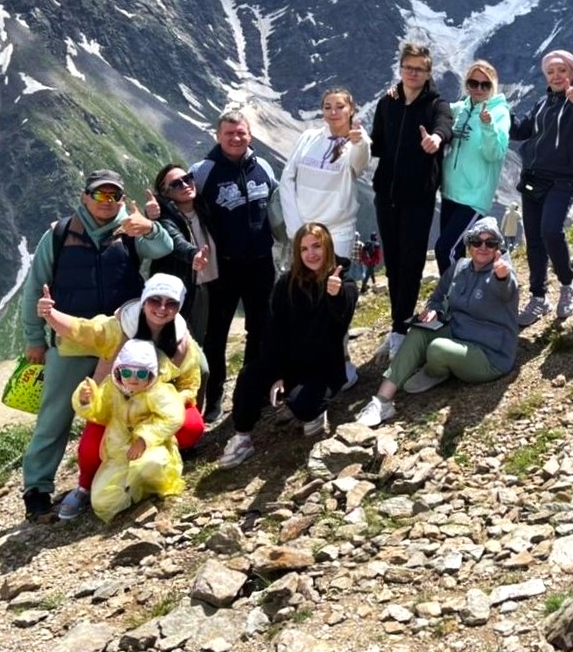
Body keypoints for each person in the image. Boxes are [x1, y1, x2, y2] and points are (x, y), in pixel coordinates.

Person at [20, 169, 172, 522]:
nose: (108, 202)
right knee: (55, 417)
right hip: (70, 341)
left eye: (114, 196)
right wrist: (34, 339)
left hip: (122, 341)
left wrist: (149, 226)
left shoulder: (130, 230)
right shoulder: (58, 234)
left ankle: (110, 481)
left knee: (120, 413)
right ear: (85, 196)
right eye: (100, 195)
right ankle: (37, 490)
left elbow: (162, 247)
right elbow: (35, 286)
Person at [36, 273, 206, 520]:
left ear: (178, 307)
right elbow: (82, 330)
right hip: (113, 403)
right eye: (155, 300)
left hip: (155, 408)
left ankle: (157, 460)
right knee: (90, 450)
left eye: (171, 303)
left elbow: (190, 383)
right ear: (144, 300)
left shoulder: (181, 340)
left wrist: (171, 404)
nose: (161, 309)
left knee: (191, 426)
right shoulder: (119, 326)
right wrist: (50, 314)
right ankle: (85, 486)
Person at [218, 223, 359, 468]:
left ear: (328, 247)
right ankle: (242, 437)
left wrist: (335, 297)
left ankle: (312, 409)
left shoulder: (344, 284)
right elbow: (273, 331)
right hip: (289, 363)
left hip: (323, 368)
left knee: (304, 406)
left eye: (317, 246)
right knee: (250, 376)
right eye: (304, 249)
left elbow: (341, 321)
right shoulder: (287, 284)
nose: (311, 254)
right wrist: (276, 374)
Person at [355, 218, 518, 427]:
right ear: (469, 245)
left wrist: (503, 276)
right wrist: (433, 310)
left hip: (490, 355)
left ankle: (436, 372)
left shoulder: (502, 273)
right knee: (418, 331)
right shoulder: (460, 268)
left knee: (437, 349)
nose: (483, 247)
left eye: (490, 242)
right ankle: (382, 401)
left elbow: (507, 291)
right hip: (458, 334)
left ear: (498, 247)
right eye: (477, 242)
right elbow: (437, 297)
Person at [191, 107, 278, 423]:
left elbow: (280, 201)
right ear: (218, 136)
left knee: (261, 328)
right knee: (216, 334)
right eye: (229, 133)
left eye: (241, 132)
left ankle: (253, 389)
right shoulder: (203, 171)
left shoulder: (263, 167)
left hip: (261, 264)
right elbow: (181, 201)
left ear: (249, 134)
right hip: (223, 267)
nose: (236, 138)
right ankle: (213, 398)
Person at [279, 87, 370, 387]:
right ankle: (304, 361)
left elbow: (359, 162)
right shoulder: (308, 138)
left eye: (340, 106)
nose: (333, 112)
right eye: (328, 106)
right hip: (303, 231)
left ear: (351, 109)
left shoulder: (358, 140)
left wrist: (358, 142)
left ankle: (339, 359)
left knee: (335, 297)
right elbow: (287, 178)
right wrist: (296, 229)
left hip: (338, 233)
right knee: (303, 296)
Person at [371, 43, 453, 360]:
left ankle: (401, 327)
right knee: (393, 264)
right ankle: (398, 324)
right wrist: (358, 140)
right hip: (385, 195)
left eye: (419, 68)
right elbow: (377, 144)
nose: (412, 73)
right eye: (408, 67)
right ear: (401, 68)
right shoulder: (387, 103)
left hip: (417, 197)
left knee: (411, 263)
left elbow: (445, 125)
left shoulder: (436, 104)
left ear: (428, 72)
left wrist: (436, 138)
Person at [510, 50, 573, 326]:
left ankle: (567, 284)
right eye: (551, 71)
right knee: (533, 239)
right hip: (533, 177)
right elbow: (521, 130)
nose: (556, 76)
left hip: (561, 179)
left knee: (551, 231)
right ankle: (538, 297)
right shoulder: (542, 102)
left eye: (562, 70)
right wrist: (499, 113)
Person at [72, 338, 186, 523]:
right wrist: (86, 400)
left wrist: (143, 439)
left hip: (152, 448)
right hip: (117, 454)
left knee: (151, 465)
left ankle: (151, 491)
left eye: (141, 373)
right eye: (127, 372)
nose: (133, 378)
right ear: (118, 371)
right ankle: (134, 493)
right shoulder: (112, 388)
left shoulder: (158, 391)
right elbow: (99, 412)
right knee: (102, 502)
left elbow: (173, 417)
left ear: (151, 374)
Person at [435, 60, 511, 275]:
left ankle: (453, 300)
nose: (478, 89)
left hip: (474, 197)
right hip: (450, 192)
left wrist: (488, 126)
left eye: (485, 85)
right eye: (473, 83)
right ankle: (456, 302)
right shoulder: (462, 107)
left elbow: (494, 153)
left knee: (445, 249)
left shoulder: (500, 113)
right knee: (455, 251)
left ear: (493, 87)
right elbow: (438, 112)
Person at [148, 163, 216, 354]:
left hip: (212, 286)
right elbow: (175, 240)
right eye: (176, 184)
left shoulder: (204, 208)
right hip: (183, 290)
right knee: (179, 346)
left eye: (187, 179)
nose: (186, 185)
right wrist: (193, 254)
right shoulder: (165, 217)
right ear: (166, 193)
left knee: (207, 346)